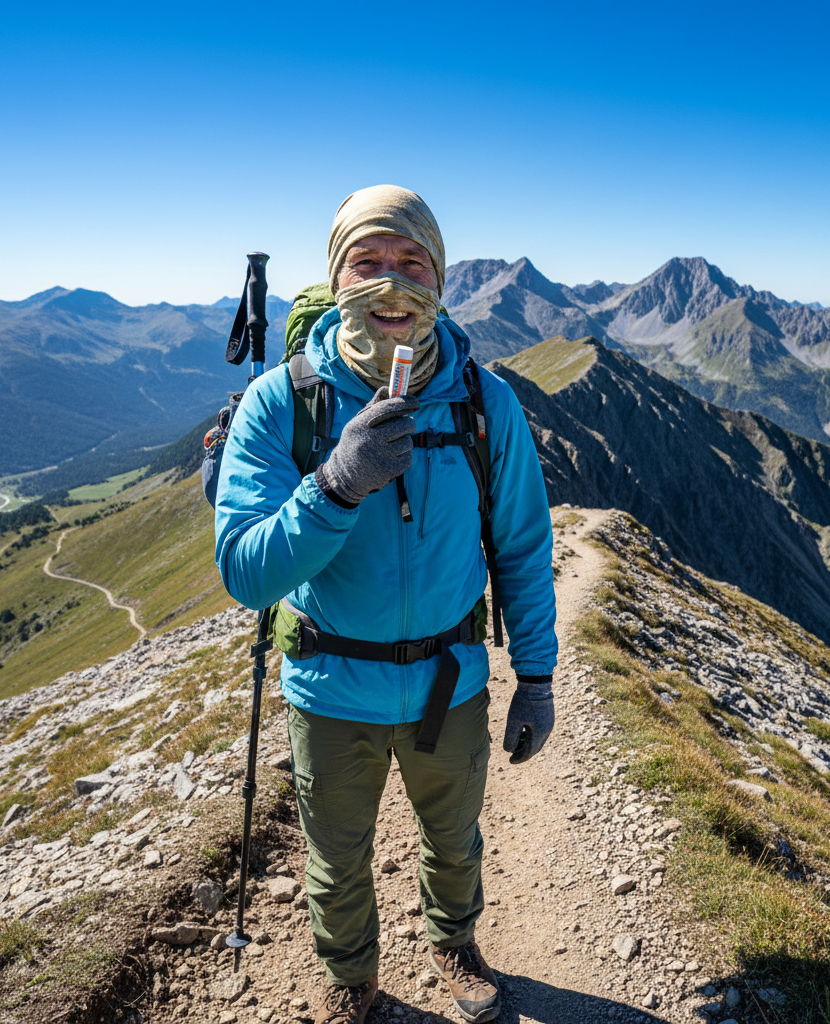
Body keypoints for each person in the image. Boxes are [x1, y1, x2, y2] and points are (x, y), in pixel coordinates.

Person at [215, 185, 558, 1024]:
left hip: (452, 682)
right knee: (336, 859)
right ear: (335, 280)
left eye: (411, 262)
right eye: (366, 263)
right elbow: (246, 572)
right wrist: (334, 483)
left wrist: (538, 677)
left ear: (439, 275)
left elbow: (521, 545)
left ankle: (454, 941)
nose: (390, 284)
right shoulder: (283, 406)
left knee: (455, 840)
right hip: (331, 691)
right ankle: (352, 976)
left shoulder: (486, 405)